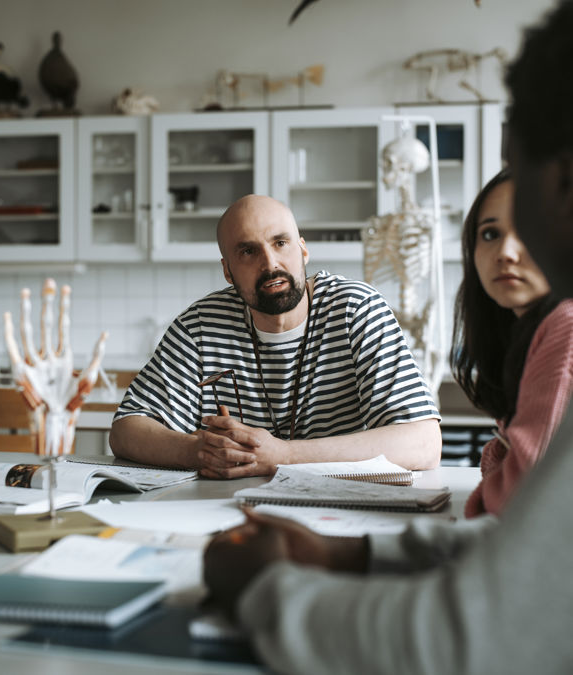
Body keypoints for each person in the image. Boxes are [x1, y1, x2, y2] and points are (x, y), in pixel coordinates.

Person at [202, 1, 573, 672]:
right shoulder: (551, 334)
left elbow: (468, 639)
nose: (508, 236)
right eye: (487, 229)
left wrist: (263, 587)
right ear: (228, 267)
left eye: (517, 165)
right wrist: (351, 552)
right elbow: (526, 552)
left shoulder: (565, 335)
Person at [110, 194, 442, 477]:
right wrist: (197, 451)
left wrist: (281, 455)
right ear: (227, 270)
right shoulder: (200, 324)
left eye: (280, 243)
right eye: (248, 252)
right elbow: (126, 429)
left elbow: (423, 443)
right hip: (231, 513)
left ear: (303, 250)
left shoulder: (355, 308)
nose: (270, 264)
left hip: (343, 510)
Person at [450, 168, 573, 517]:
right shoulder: (533, 330)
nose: (506, 251)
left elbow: (519, 502)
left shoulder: (566, 324)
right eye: (490, 233)